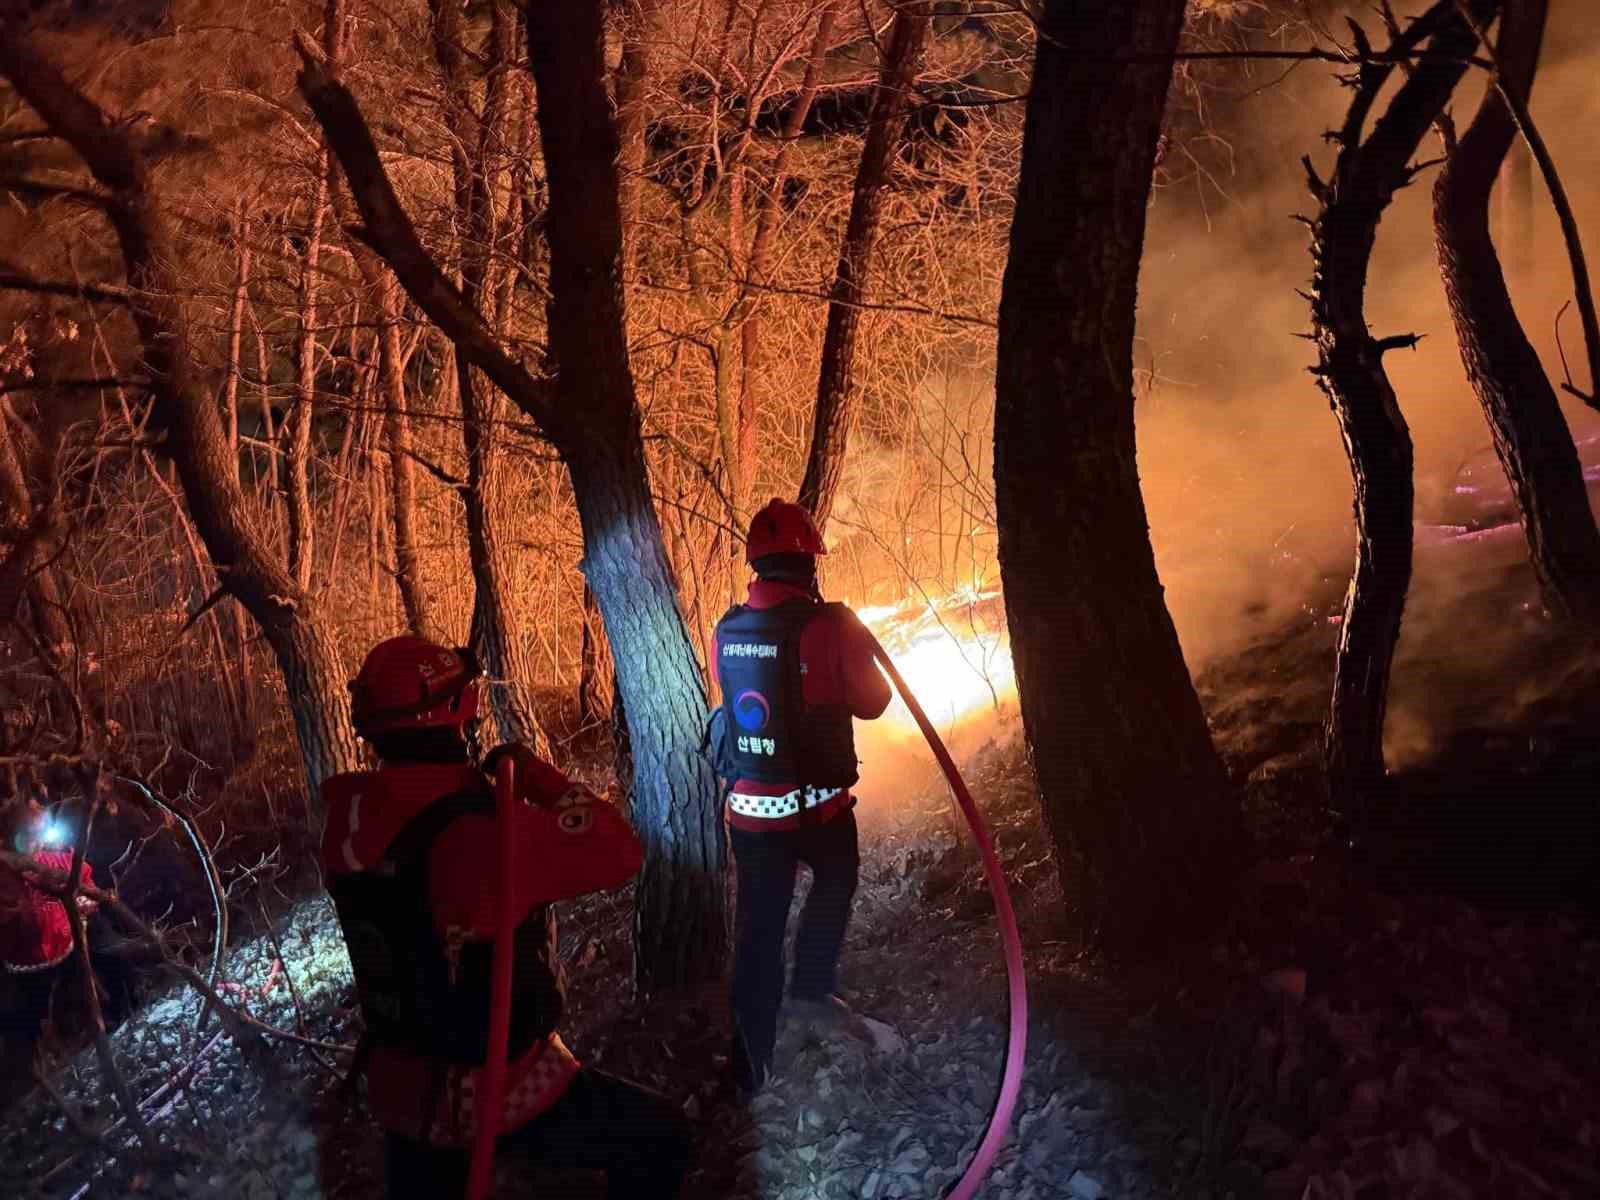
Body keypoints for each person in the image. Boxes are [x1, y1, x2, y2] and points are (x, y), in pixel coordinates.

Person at [321, 636, 691, 1200]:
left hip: (399, 1089)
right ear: (456, 712)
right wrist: (537, 777)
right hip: (487, 1088)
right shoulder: (479, 834)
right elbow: (620, 849)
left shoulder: (348, 814)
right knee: (662, 1137)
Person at [712, 499, 892, 1094]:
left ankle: (748, 1066)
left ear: (757, 566)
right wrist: (850, 642)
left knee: (758, 930)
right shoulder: (828, 625)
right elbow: (874, 702)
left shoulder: (727, 629)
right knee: (837, 876)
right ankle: (811, 988)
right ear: (809, 564)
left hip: (750, 812)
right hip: (816, 808)